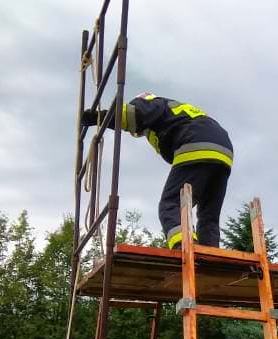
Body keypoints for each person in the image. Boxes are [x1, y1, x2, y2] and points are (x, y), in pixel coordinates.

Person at [82, 92, 233, 249]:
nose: (138, 133)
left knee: (170, 205)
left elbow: (132, 115)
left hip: (195, 144)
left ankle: (185, 248)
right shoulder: (180, 111)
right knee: (209, 215)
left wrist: (98, 117)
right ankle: (211, 254)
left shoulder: (152, 103)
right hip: (224, 154)